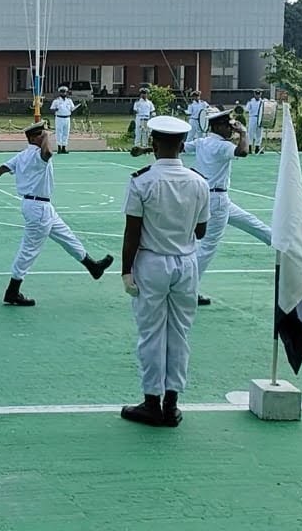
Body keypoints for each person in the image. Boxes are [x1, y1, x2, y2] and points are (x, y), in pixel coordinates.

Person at [119, 116, 210, 428]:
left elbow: (132, 232)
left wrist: (125, 271)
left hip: (152, 262)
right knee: (180, 333)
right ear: (183, 145)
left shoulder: (142, 181)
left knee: (151, 334)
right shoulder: (199, 182)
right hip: (186, 264)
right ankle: (172, 403)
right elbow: (201, 231)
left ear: (153, 145)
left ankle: (151, 401)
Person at [0, 122, 114, 306]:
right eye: (42, 135)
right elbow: (47, 154)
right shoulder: (37, 155)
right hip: (38, 208)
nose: (46, 137)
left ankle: (92, 266)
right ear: (33, 138)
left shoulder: (22, 156)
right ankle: (12, 291)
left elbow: (1, 170)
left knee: (66, 236)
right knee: (29, 250)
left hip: (42, 206)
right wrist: (45, 139)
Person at [184, 108, 273, 305]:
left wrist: (147, 149)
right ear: (217, 126)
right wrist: (243, 133)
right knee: (207, 246)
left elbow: (180, 147)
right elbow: (243, 152)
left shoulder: (202, 142)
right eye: (227, 125)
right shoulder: (222, 146)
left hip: (209, 197)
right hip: (216, 199)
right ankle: (187, 289)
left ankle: (276, 240)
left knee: (247, 220)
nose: (231, 128)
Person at [49, 86, 78, 154]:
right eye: (62, 92)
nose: (63, 93)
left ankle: (64, 147)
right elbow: (51, 109)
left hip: (67, 118)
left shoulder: (69, 101)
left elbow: (72, 108)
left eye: (64, 92)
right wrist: (55, 109)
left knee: (66, 133)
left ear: (66, 93)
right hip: (59, 118)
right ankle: (59, 147)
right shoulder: (56, 101)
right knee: (59, 132)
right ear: (60, 93)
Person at [244, 89, 265, 154]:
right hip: (252, 117)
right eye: (256, 94)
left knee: (259, 133)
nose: (257, 96)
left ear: (260, 94)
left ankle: (257, 147)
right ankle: (249, 147)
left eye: (259, 94)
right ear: (254, 94)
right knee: (251, 133)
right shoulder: (250, 101)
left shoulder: (263, 102)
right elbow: (246, 109)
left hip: (260, 118)